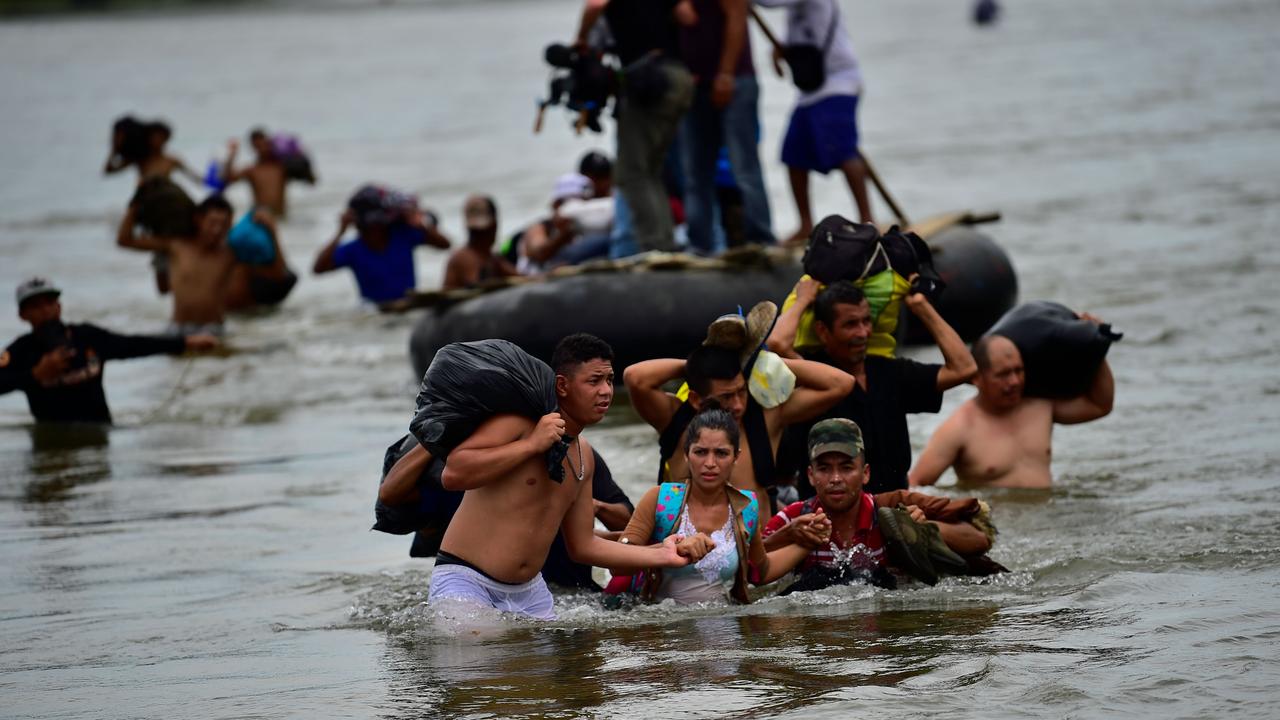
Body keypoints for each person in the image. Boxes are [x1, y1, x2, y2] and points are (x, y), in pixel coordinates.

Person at [427, 333, 694, 620]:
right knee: (479, 656)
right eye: (594, 381)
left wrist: (662, 555)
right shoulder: (520, 425)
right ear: (562, 385)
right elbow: (453, 473)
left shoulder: (584, 456)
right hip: (467, 581)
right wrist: (530, 446)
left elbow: (583, 546)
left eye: (609, 380)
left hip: (530, 593)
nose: (606, 391)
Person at [624, 302, 854, 503]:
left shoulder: (767, 417)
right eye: (725, 397)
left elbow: (840, 383)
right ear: (696, 399)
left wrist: (760, 360)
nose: (737, 406)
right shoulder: (675, 418)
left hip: (758, 546)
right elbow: (635, 377)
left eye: (741, 392)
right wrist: (699, 364)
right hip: (687, 550)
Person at [767, 278, 977, 494]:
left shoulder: (889, 372)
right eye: (850, 324)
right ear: (822, 331)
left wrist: (922, 307)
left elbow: (963, 368)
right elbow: (777, 344)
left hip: (894, 508)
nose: (863, 333)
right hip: (826, 514)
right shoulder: (815, 377)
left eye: (866, 321)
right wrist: (803, 300)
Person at [614, 403, 820, 604]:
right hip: (663, 631)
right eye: (700, 452)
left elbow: (761, 571)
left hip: (725, 632)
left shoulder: (746, 507)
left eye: (721, 453)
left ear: (735, 457)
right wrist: (671, 550)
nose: (710, 463)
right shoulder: (660, 499)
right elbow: (618, 566)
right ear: (687, 455)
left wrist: (809, 542)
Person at [763, 418, 998, 591]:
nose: (835, 479)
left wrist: (925, 529)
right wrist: (786, 536)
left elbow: (980, 539)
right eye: (824, 469)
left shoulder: (897, 507)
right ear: (811, 475)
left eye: (846, 468)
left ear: (865, 474)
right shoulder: (794, 518)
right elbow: (748, 570)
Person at [377, 439, 634, 590]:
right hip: (487, 593)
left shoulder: (574, 456)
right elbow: (391, 496)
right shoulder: (458, 477)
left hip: (570, 593)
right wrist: (435, 436)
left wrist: (588, 506)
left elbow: (631, 523)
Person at [909, 330, 1115, 489]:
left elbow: (1100, 405)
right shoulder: (959, 428)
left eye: (1018, 370)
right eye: (1003, 374)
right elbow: (916, 484)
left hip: (1051, 522)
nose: (1014, 381)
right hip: (1000, 534)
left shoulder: (1041, 406)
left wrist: (1095, 346)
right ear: (976, 378)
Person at [0, 277, 218, 424]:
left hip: (98, 437)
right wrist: (35, 375)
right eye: (36, 306)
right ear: (22, 314)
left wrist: (185, 342)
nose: (45, 311)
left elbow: (133, 344)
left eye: (49, 302)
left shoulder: (86, 337)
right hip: (52, 443)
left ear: (59, 306)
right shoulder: (21, 350)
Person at [575, 0, 694, 255]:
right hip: (678, 77)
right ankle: (666, 244)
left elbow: (595, 6)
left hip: (650, 82)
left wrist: (581, 41)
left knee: (632, 173)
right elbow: (687, 17)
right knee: (651, 170)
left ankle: (655, 246)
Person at [754, 0, 872, 243]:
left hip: (839, 83)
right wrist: (780, 49)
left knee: (844, 153)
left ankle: (867, 220)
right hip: (810, 91)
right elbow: (796, 30)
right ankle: (805, 224)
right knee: (794, 156)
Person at [676, 0, 774, 253]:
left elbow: (737, 17)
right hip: (696, 85)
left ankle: (761, 240)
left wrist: (726, 74)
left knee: (744, 168)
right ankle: (700, 245)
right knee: (696, 173)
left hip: (733, 81)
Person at [117, 194, 240, 337]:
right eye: (213, 223)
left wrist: (268, 227)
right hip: (178, 330)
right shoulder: (176, 246)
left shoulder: (230, 254)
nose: (217, 230)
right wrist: (134, 206)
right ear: (198, 219)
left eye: (223, 225)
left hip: (215, 331)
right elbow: (124, 240)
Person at [313, 185, 451, 304]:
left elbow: (445, 244)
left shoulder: (403, 235)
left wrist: (420, 224)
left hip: (407, 304)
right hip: (374, 310)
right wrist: (340, 232)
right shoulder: (354, 250)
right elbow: (318, 268)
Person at [509, 174, 612, 274]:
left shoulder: (584, 231)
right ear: (555, 204)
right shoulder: (539, 228)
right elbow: (539, 253)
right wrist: (563, 236)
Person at [221, 128, 310, 218]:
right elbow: (227, 179)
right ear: (253, 148)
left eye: (263, 144)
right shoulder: (252, 170)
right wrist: (232, 155)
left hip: (282, 219)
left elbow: (311, 180)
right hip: (260, 219)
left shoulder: (282, 168)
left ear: (269, 143)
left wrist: (298, 153)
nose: (262, 149)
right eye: (258, 146)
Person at [441, 195, 519, 291]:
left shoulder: (492, 259)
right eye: (474, 233)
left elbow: (522, 278)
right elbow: (478, 286)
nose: (479, 238)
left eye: (482, 232)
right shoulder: (462, 257)